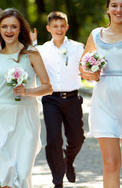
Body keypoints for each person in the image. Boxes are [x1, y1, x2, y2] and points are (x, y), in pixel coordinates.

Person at [0, 8, 53, 188]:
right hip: (0, 118)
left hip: (26, 117)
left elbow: (48, 87)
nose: (9, 31)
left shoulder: (31, 54)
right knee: (4, 175)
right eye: (4, 26)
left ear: (21, 29)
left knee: (22, 174)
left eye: (14, 26)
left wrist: (27, 91)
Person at [79, 0, 122, 187]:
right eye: (114, 5)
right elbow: (83, 67)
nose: (119, 10)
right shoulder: (96, 35)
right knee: (111, 163)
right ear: (107, 8)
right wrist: (91, 74)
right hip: (105, 104)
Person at [36, 11, 85, 188]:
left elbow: (86, 68)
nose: (59, 29)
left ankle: (68, 160)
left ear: (67, 27)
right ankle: (58, 179)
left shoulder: (78, 47)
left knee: (78, 138)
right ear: (49, 28)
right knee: (53, 139)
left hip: (72, 99)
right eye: (55, 26)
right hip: (51, 100)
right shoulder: (41, 50)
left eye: (62, 25)